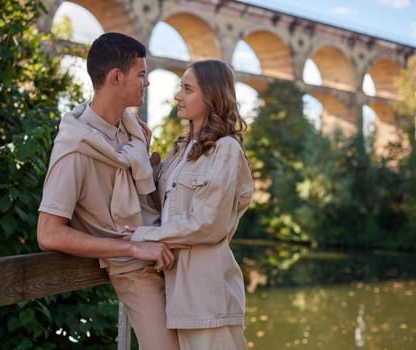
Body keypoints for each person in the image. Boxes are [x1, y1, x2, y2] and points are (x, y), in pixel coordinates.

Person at [36, 32, 180, 350]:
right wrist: (131, 249)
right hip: (136, 270)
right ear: (116, 77)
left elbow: (138, 196)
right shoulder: (76, 147)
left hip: (170, 257)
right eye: (141, 74)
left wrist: (143, 152)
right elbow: (48, 234)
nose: (148, 83)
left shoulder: (130, 133)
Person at [129, 59, 254, 350]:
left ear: (211, 96)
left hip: (209, 299)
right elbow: (158, 207)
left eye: (187, 89)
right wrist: (140, 153)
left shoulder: (226, 150)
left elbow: (208, 224)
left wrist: (142, 237)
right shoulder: (179, 150)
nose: (177, 96)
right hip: (176, 296)